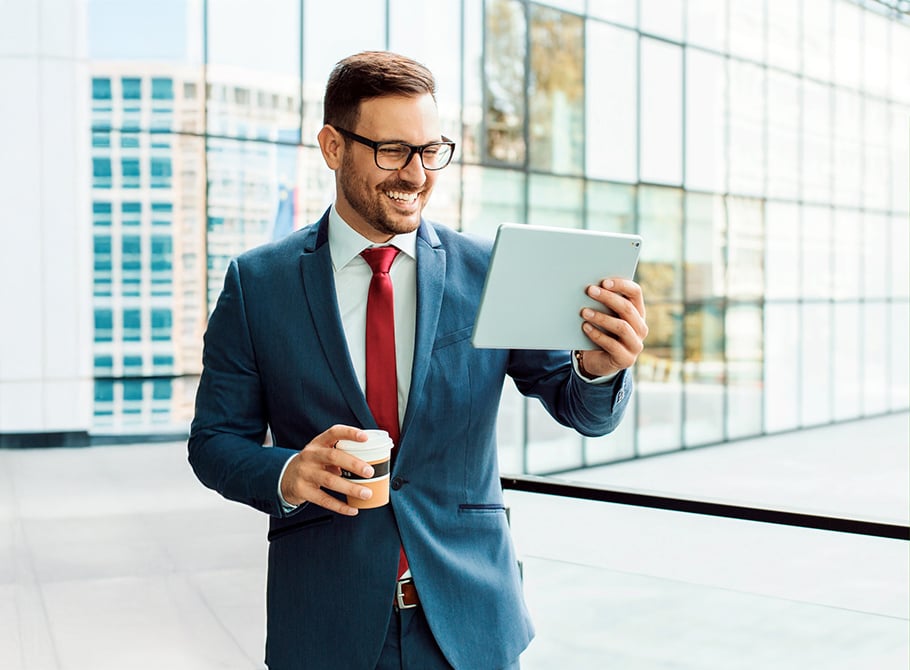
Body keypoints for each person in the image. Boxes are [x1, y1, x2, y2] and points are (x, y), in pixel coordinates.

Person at [188, 51, 648, 670]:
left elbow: (581, 410)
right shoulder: (258, 284)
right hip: (327, 628)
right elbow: (215, 442)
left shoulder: (487, 272)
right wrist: (290, 472)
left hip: (469, 626)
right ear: (332, 146)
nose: (416, 174)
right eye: (392, 151)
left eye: (431, 151)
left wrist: (599, 368)